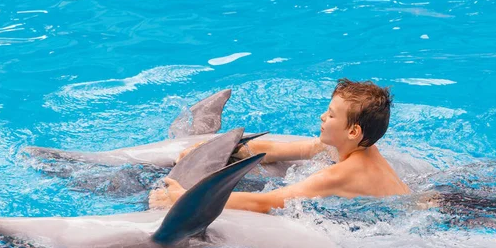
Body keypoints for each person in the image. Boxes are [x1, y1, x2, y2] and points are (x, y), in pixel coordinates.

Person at [149, 78, 410, 213]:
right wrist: (224, 151)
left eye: (331, 115)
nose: (322, 117)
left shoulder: (340, 174)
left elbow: (267, 202)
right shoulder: (357, 146)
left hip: (398, 218)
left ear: (353, 131)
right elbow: (278, 150)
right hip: (412, 202)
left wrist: (185, 199)